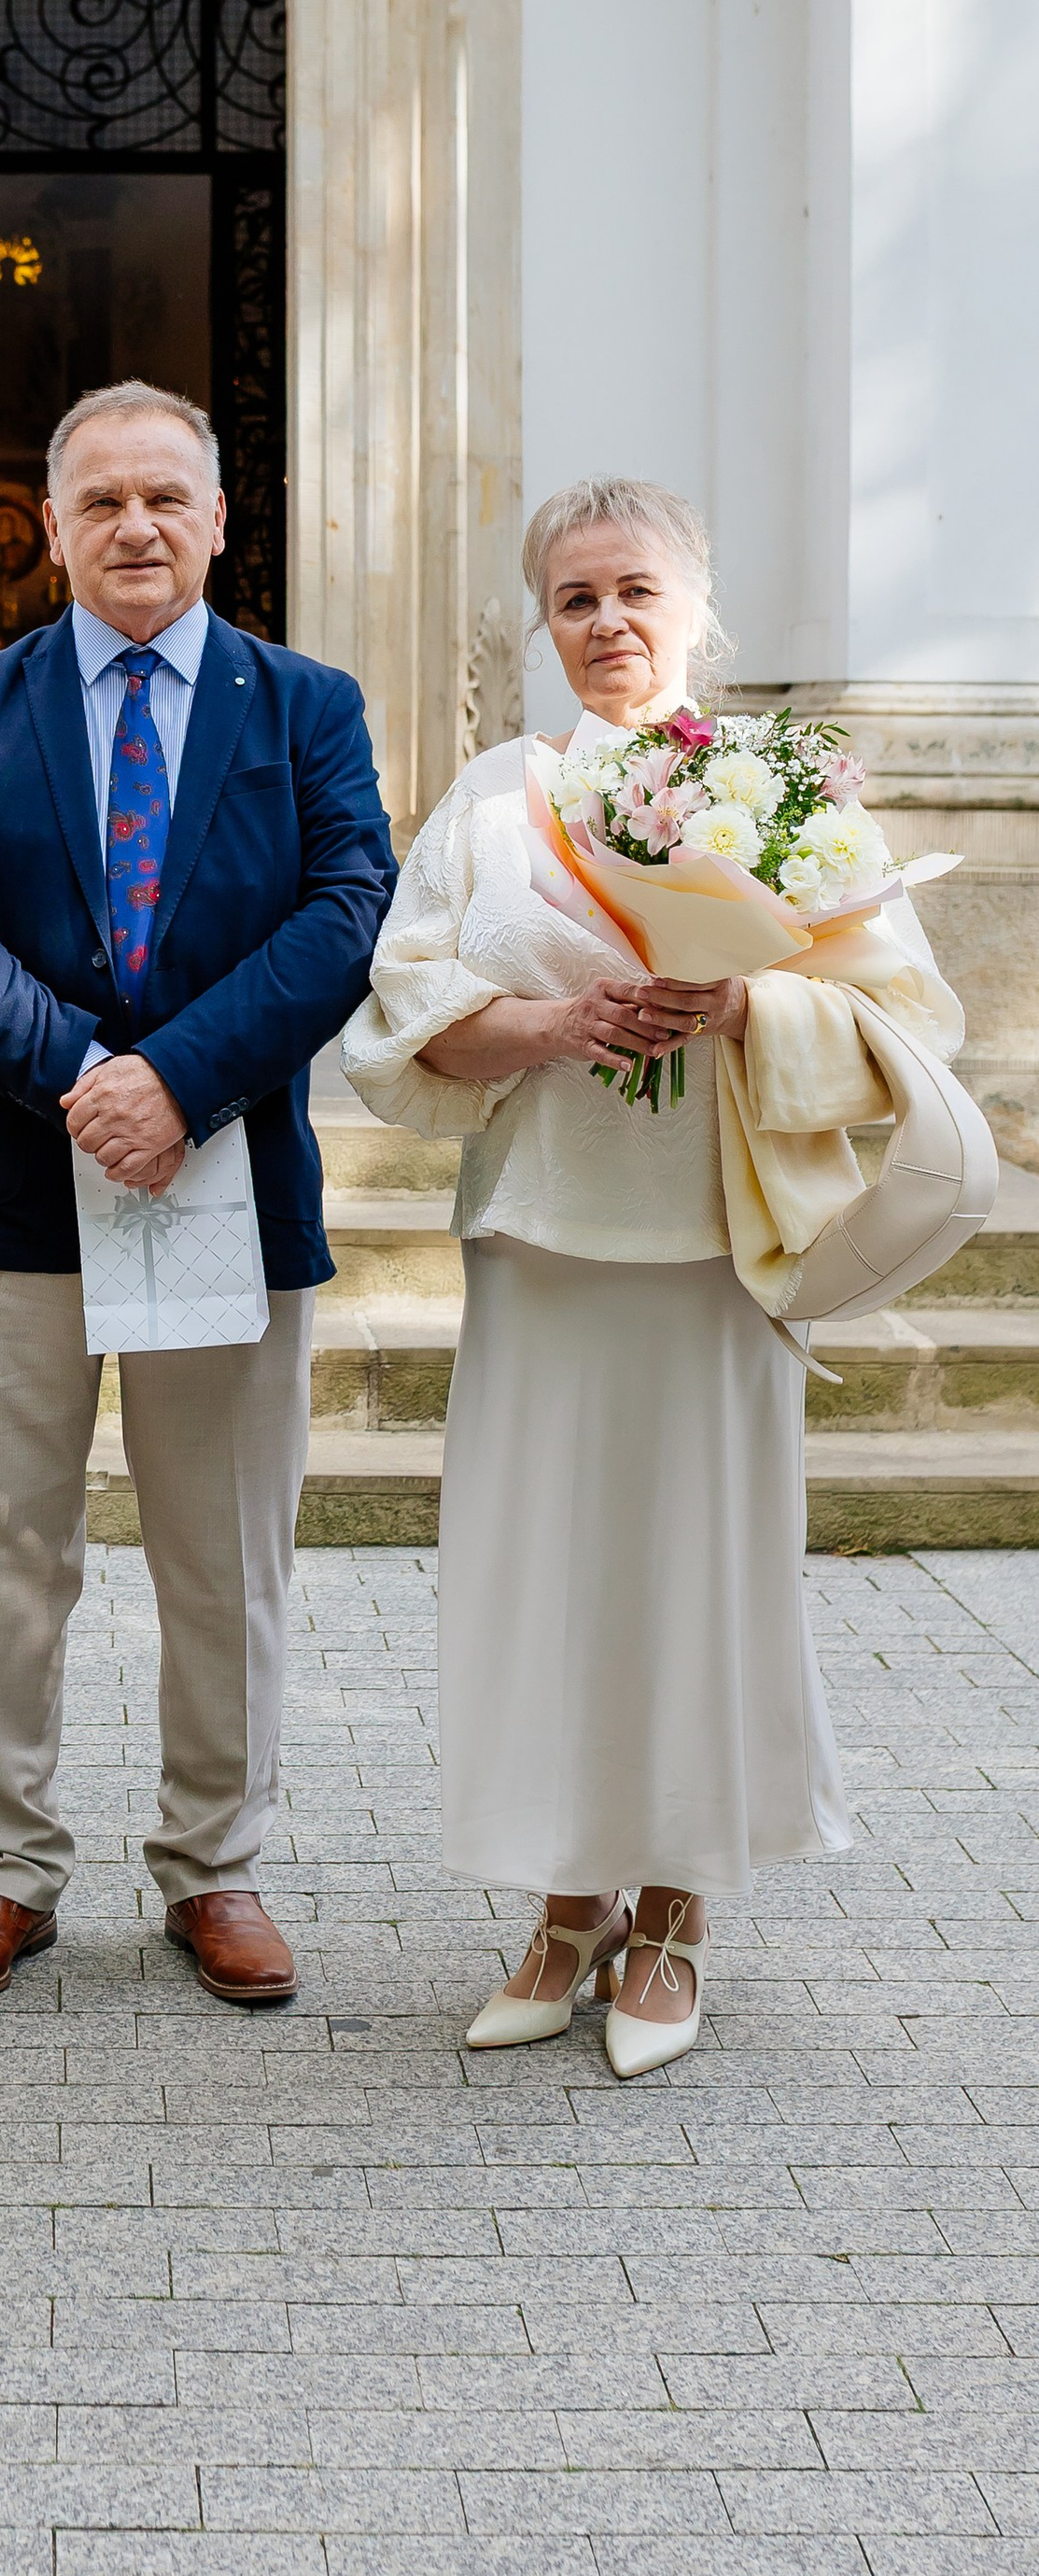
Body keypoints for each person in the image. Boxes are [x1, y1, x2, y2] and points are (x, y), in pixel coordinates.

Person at [340, 476, 964, 2075]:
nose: (607, 624)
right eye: (574, 600)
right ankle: (565, 1905)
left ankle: (678, 1908)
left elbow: (912, 1023)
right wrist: (554, 1022)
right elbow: (399, 1015)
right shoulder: (494, 796)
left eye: (635, 591)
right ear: (540, 626)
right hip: (546, 1231)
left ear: (695, 600)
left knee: (700, 1572)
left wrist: (750, 1010)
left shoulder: (788, 790)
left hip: (715, 1242)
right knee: (545, 1572)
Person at [0, 379, 396, 2009]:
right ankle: (4, 1868)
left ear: (223, 520)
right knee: (0, 1548)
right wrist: (88, 1080)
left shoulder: (307, 704)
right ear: (55, 525)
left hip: (224, 1180)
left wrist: (181, 1081)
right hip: (16, 1191)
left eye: (168, 497)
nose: (137, 527)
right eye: (102, 501)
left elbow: (345, 908)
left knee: (222, 1552)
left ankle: (214, 1868)